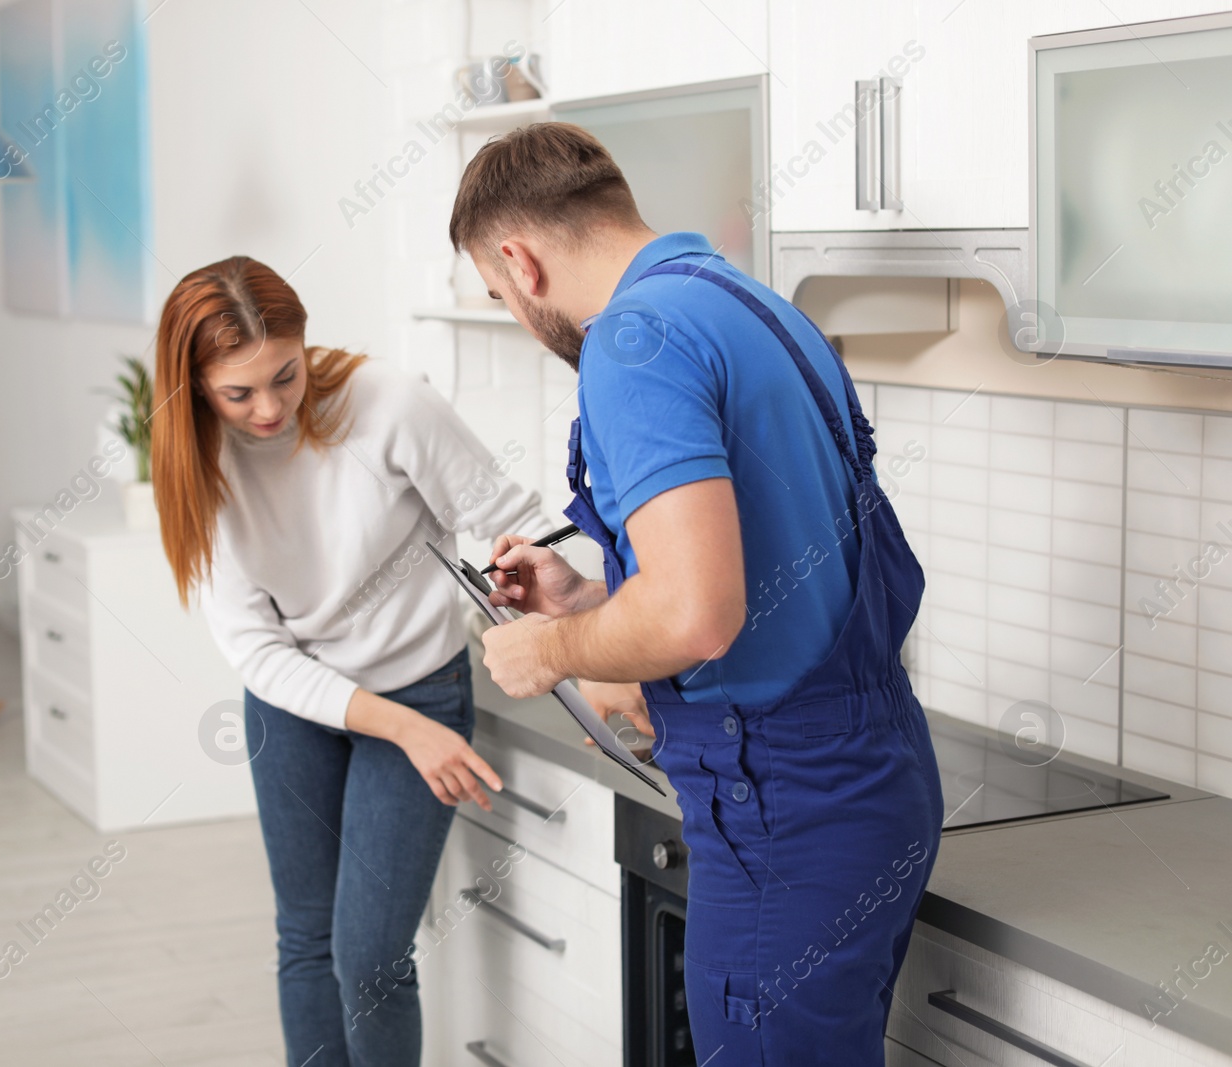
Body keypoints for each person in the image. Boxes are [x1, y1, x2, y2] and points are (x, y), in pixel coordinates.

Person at [450, 124, 945, 1066]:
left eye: (495, 292)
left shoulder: (630, 343)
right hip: (874, 773)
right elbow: (743, 579)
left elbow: (693, 617)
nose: (513, 310)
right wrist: (582, 598)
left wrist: (545, 650)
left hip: (784, 805)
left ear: (519, 260)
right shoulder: (751, 304)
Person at [149, 255, 553, 1067]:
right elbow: (256, 650)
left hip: (421, 686)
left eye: (285, 376)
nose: (269, 408)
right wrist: (399, 727)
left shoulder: (387, 405)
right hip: (299, 707)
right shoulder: (199, 466)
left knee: (368, 958)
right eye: (238, 393)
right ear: (194, 387)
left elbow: (513, 519)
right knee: (304, 938)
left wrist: (536, 581)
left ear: (304, 345)